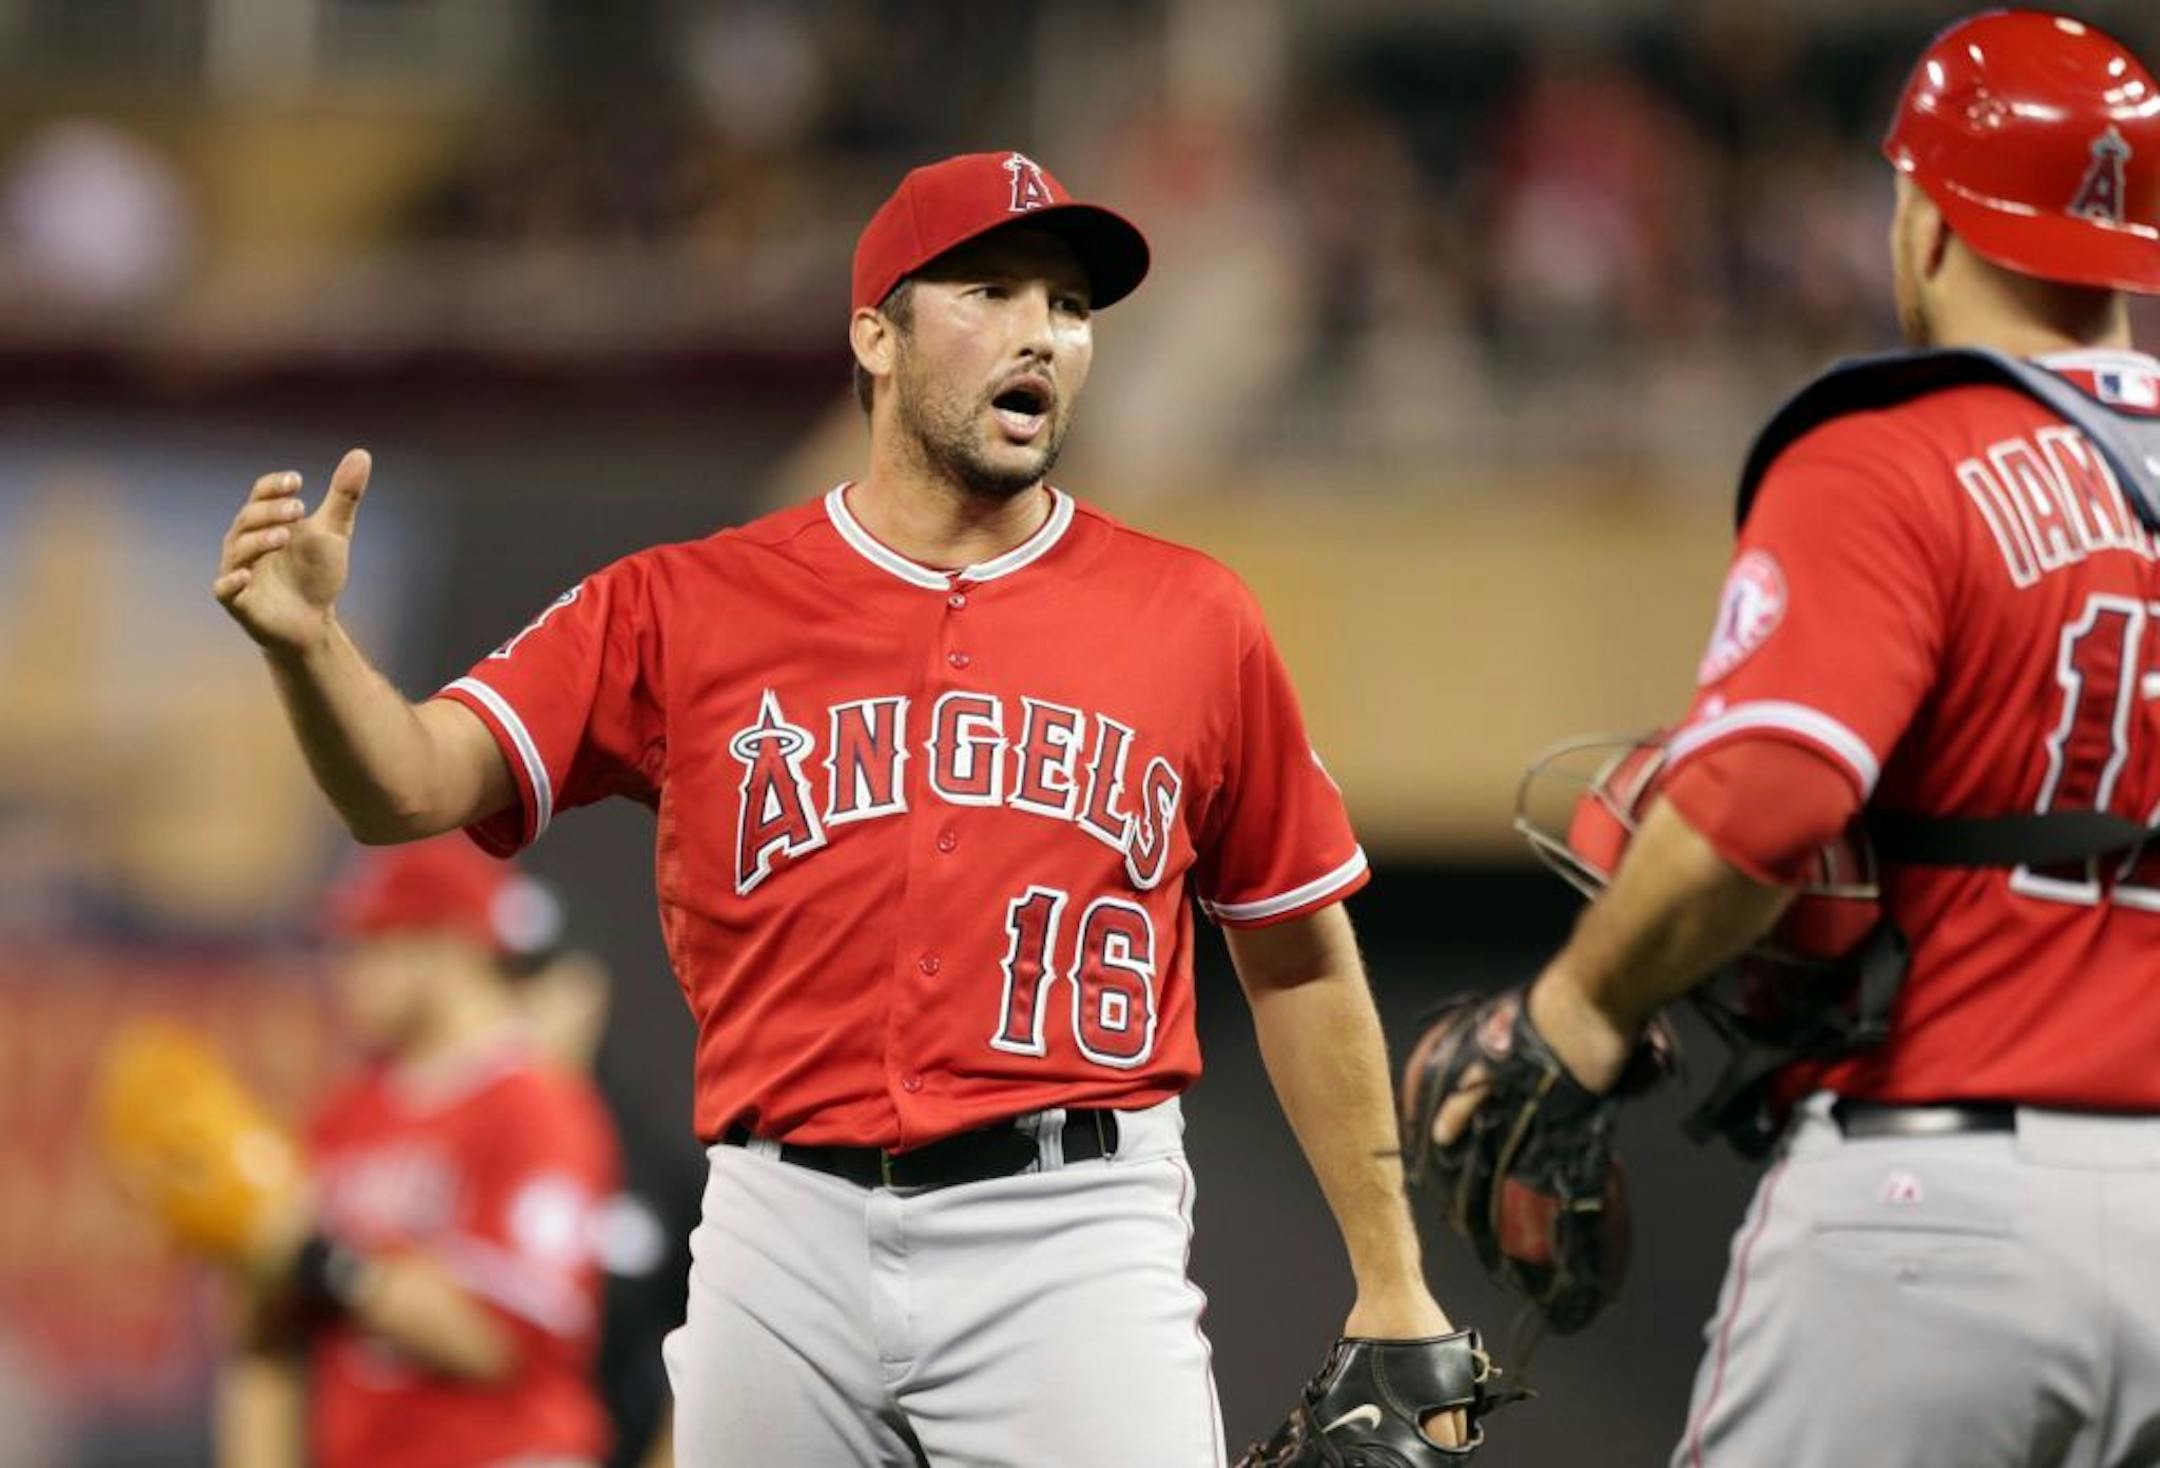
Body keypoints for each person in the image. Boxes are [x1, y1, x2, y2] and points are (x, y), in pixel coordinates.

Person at [210, 150, 1474, 1466]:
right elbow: (409, 784)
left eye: (1072, 306)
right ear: (876, 334)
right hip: (780, 1225)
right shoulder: (684, 603)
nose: (1042, 329)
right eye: (993, 290)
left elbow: (1299, 956)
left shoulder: (1194, 618)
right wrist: (311, 651)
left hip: (1074, 1230)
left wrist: (1393, 1278)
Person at [1416, 11, 2160, 1467]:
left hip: (1937, 1215)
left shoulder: (1893, 448)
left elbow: (1764, 800)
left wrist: (1576, 1016)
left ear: (1926, 219)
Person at [218, 837, 620, 1468]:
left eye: (371, 944)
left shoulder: (536, 1107)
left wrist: (324, 1261)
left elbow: (499, 1340)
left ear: (448, 947)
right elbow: (266, 1350)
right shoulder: (338, 1121)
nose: (344, 970)